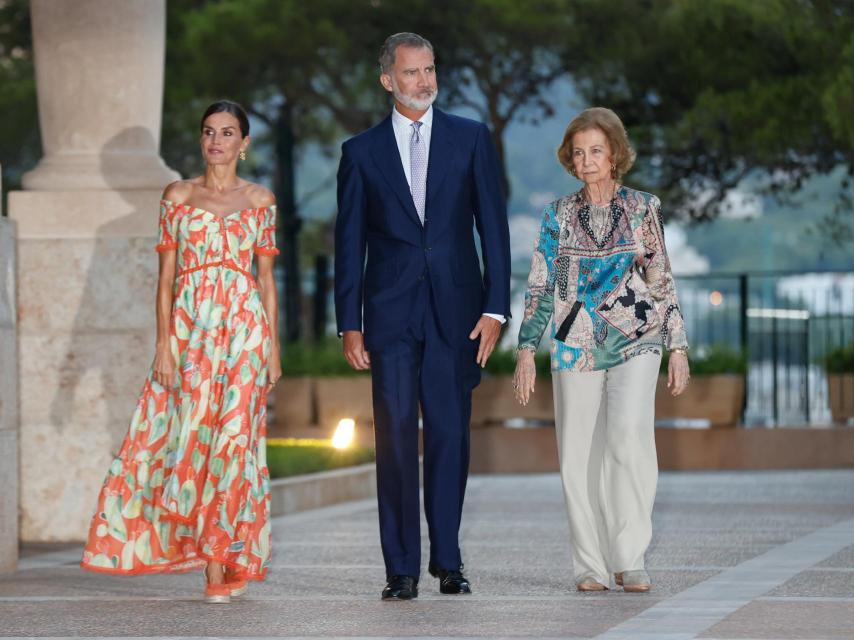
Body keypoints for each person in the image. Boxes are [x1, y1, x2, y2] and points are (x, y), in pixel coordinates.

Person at [80, 100, 281, 604]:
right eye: (209, 132)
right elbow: (165, 281)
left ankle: (219, 564)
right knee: (187, 440)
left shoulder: (260, 200)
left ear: (244, 143)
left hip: (244, 334)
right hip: (191, 335)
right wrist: (164, 348)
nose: (217, 141)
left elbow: (266, 284)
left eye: (228, 133)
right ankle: (205, 553)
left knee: (234, 446)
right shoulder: (177, 195)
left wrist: (272, 350)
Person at [334, 32, 511, 600]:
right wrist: (349, 322)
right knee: (392, 439)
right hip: (388, 316)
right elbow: (349, 243)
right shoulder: (360, 153)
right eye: (412, 73)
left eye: (431, 70)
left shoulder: (471, 138)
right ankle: (401, 568)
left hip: (457, 313)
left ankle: (450, 560)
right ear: (388, 80)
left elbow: (494, 229)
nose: (425, 81)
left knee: (450, 435)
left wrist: (495, 306)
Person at [513, 107, 689, 593]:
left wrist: (677, 344)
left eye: (596, 151)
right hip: (575, 340)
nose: (587, 160)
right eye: (578, 153)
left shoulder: (642, 209)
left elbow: (661, 278)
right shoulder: (558, 215)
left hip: (638, 337)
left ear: (614, 154)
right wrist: (527, 347)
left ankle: (629, 557)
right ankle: (590, 564)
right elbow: (541, 286)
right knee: (578, 454)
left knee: (628, 438)